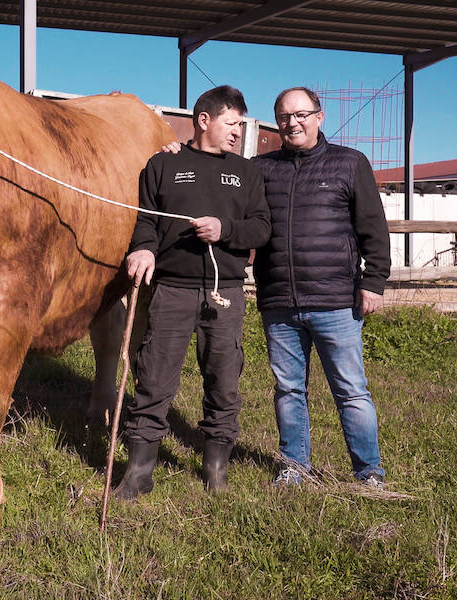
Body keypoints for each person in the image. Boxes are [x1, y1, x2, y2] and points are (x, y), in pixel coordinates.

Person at [115, 85, 271, 499]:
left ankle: (216, 469)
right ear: (205, 120)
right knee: (154, 378)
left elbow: (261, 227)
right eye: (232, 123)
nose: (238, 132)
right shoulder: (163, 165)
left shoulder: (248, 173)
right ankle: (138, 472)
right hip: (171, 291)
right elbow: (145, 220)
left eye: (241, 124)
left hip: (226, 293)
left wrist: (226, 230)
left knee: (224, 380)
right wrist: (143, 250)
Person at [253, 86, 391, 489]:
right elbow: (218, 175)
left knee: (351, 391)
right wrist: (180, 150)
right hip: (279, 301)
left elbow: (373, 229)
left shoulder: (349, 164)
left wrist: (374, 281)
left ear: (319, 116)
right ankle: (294, 467)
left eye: (301, 114)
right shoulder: (262, 168)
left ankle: (368, 473)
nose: (292, 123)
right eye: (284, 116)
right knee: (288, 389)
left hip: (335, 303)